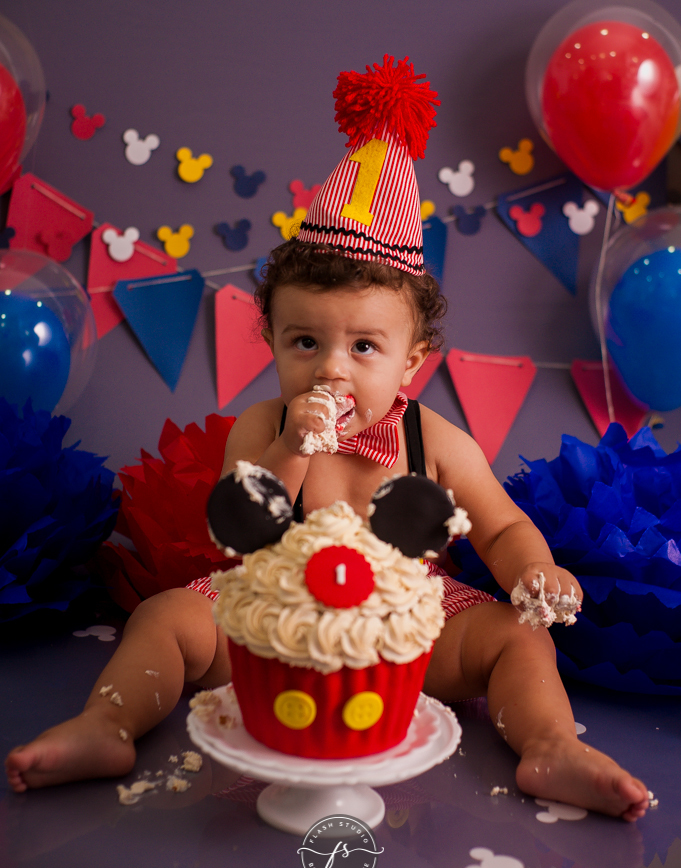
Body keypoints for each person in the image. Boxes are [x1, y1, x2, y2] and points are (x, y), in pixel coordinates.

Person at [6, 56, 649, 821]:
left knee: (517, 637)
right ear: (271, 340)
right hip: (273, 620)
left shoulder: (433, 438)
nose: (331, 367)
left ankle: (550, 745)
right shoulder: (262, 424)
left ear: (412, 359)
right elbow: (239, 526)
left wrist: (533, 570)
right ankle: (105, 723)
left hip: (409, 627)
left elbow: (501, 526)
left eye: (364, 346)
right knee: (165, 616)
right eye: (304, 342)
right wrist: (292, 449)